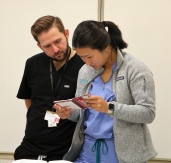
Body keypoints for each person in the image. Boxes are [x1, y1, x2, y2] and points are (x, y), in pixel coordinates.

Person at [54, 20, 157, 163]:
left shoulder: (135, 69)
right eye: (81, 57)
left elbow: (148, 113)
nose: (86, 62)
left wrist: (109, 108)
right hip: (86, 154)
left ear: (106, 48)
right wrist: (68, 112)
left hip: (123, 156)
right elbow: (80, 113)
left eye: (89, 56)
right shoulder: (85, 71)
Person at [14, 15, 84, 161]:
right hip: (29, 148)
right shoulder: (33, 64)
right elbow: (29, 100)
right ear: (39, 46)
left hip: (65, 152)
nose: (55, 49)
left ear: (66, 33)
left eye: (58, 41)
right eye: (47, 46)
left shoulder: (84, 65)